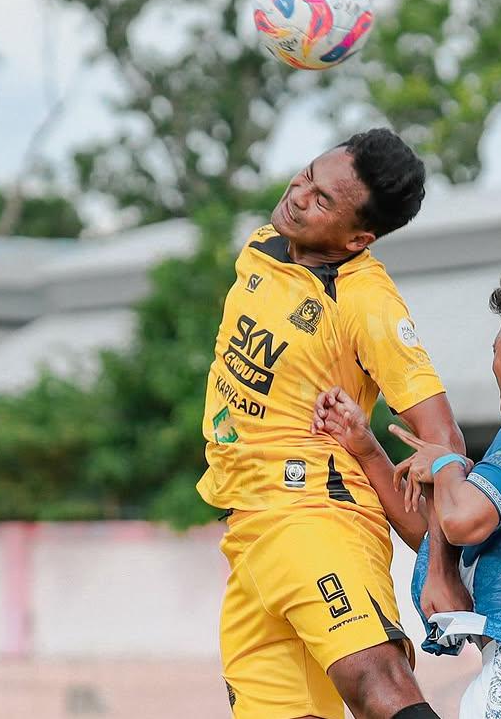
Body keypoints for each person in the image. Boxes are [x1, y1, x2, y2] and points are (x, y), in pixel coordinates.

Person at [196, 128, 468, 719]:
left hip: (317, 515)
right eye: (307, 175)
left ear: (358, 238)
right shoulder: (264, 245)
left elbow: (442, 438)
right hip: (248, 538)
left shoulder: (367, 302)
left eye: (322, 200)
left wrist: (439, 562)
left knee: (377, 684)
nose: (298, 194)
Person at [315, 266, 501, 717]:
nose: (493, 365)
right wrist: (368, 448)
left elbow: (460, 519)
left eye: (494, 351)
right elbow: (438, 535)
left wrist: (449, 461)